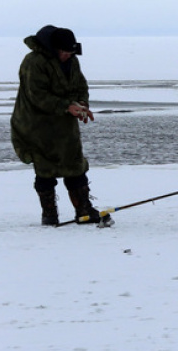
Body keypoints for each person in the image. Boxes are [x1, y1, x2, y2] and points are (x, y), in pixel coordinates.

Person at [10, 25, 113, 226]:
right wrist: (67, 106)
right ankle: (49, 215)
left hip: (64, 125)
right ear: (53, 48)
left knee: (75, 164)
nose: (67, 56)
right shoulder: (33, 62)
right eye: (64, 52)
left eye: (71, 52)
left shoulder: (72, 61)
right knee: (45, 168)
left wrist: (82, 105)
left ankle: (83, 210)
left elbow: (81, 86)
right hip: (35, 124)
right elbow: (37, 95)